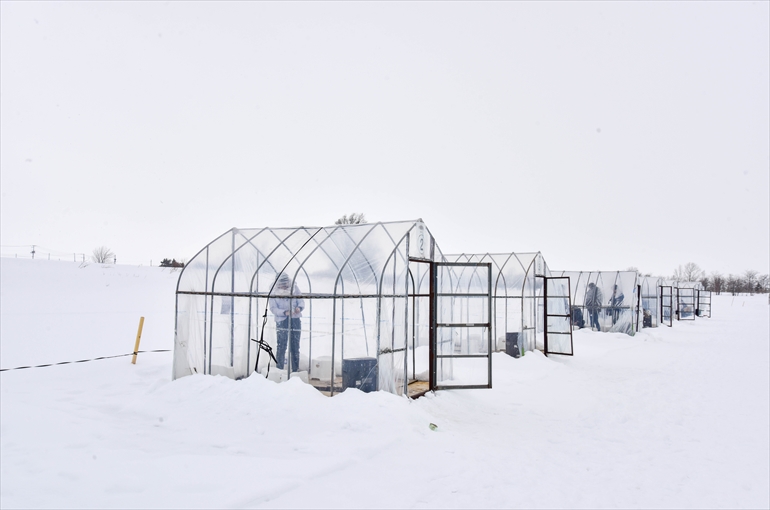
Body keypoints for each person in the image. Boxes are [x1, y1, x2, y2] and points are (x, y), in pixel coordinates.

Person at [269, 273, 304, 373]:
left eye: (285, 283)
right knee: (281, 345)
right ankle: (279, 370)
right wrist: (284, 312)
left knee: (295, 345)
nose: (284, 286)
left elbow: (301, 301)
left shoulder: (294, 288)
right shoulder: (273, 292)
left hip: (295, 319)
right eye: (282, 284)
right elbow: (273, 308)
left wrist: (299, 308)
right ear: (277, 283)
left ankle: (295, 369)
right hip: (282, 321)